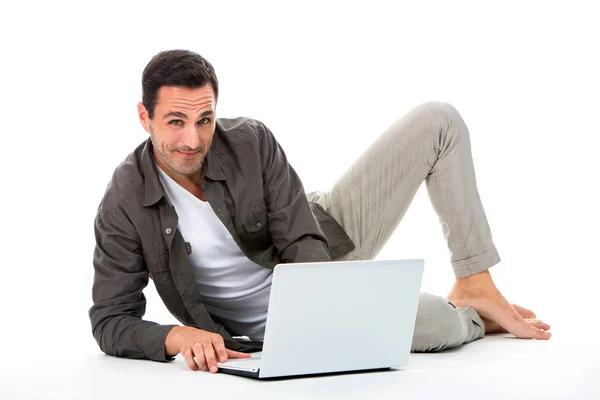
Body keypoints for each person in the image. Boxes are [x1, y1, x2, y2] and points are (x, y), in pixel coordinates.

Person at [89, 49, 552, 374]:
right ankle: (470, 313)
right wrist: (179, 337)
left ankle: (476, 281)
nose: (192, 140)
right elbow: (110, 320)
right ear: (144, 117)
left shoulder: (250, 140)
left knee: (438, 120)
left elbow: (303, 239)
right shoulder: (124, 202)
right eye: (175, 121)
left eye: (204, 119)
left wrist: (324, 310)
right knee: (439, 326)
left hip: (322, 247)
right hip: (267, 329)